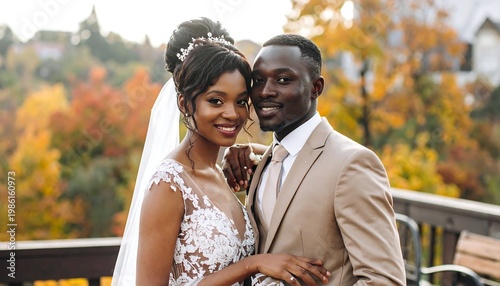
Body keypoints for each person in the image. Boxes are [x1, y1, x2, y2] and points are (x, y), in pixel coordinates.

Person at [111, 18, 330, 286]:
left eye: (240, 101)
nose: (232, 114)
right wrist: (252, 264)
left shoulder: (222, 172)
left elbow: (289, 156)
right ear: (184, 103)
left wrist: (250, 148)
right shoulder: (169, 184)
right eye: (216, 100)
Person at [222, 34, 406, 285]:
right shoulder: (264, 161)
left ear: (315, 87)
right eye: (258, 80)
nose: (265, 91)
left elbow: (385, 280)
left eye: (283, 80)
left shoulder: (352, 164)